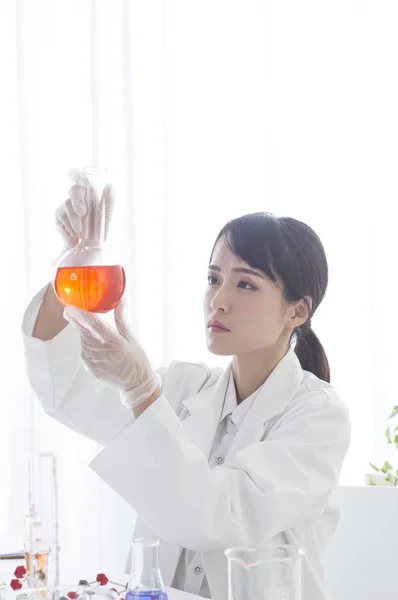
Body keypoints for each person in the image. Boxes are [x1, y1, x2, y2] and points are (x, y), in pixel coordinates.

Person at [22, 169, 351, 600]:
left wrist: (142, 392)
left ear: (297, 311)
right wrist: (72, 264)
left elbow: (222, 517)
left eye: (245, 283)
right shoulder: (184, 388)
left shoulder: (319, 417)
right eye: (213, 278)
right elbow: (65, 391)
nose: (218, 300)